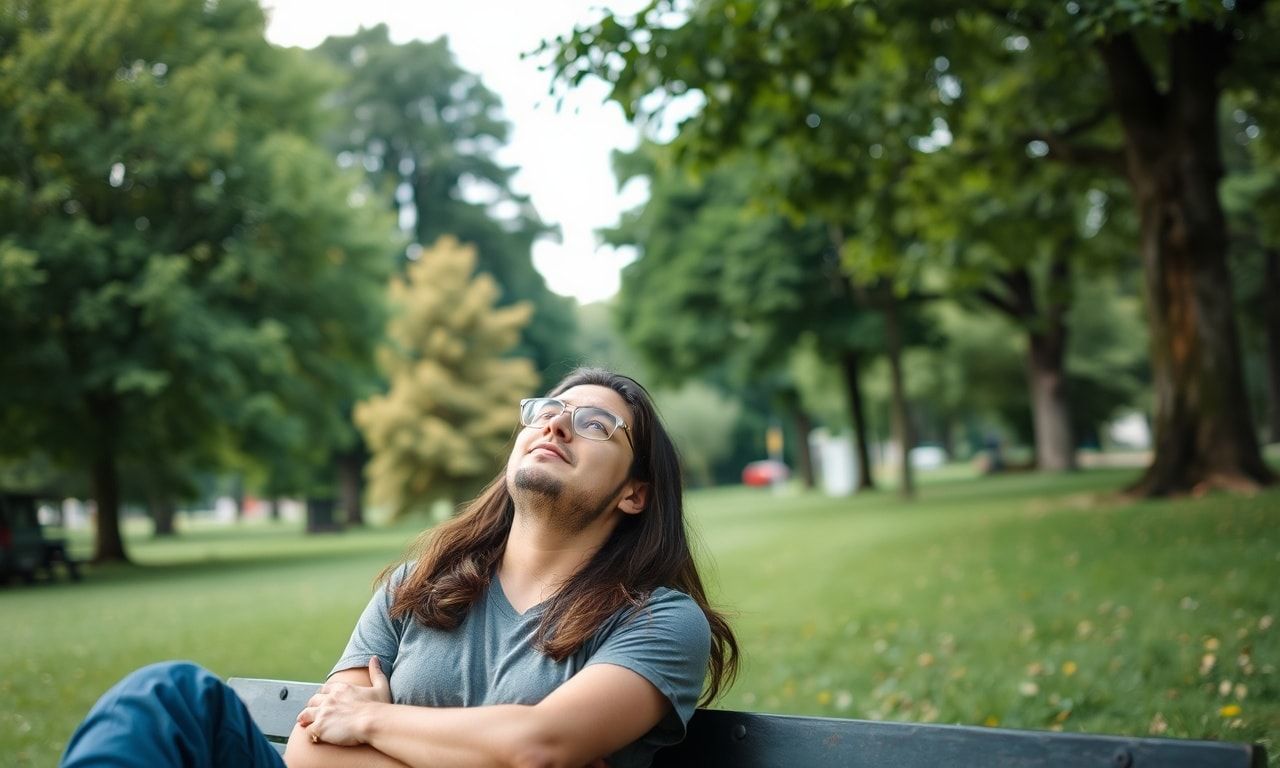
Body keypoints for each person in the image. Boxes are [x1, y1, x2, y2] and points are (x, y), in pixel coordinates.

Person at [61, 368, 738, 768]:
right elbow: (310, 753)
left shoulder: (657, 622)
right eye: (548, 411)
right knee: (167, 696)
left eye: (594, 425)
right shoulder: (418, 585)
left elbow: (538, 746)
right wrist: (486, 754)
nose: (557, 426)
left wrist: (374, 723)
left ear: (634, 493)